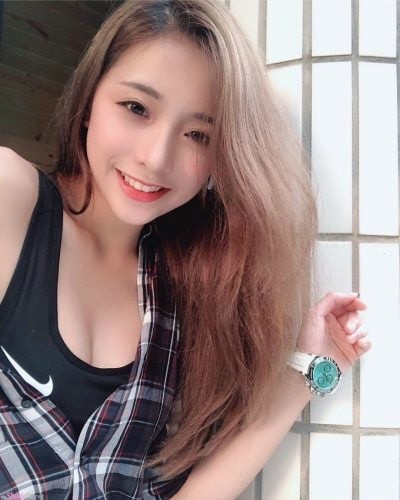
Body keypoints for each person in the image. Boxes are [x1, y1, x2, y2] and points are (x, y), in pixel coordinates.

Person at [0, 0, 371, 498]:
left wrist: (309, 368)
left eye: (198, 134)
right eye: (136, 108)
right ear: (88, 100)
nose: (156, 158)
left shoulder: (186, 292)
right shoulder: (11, 198)